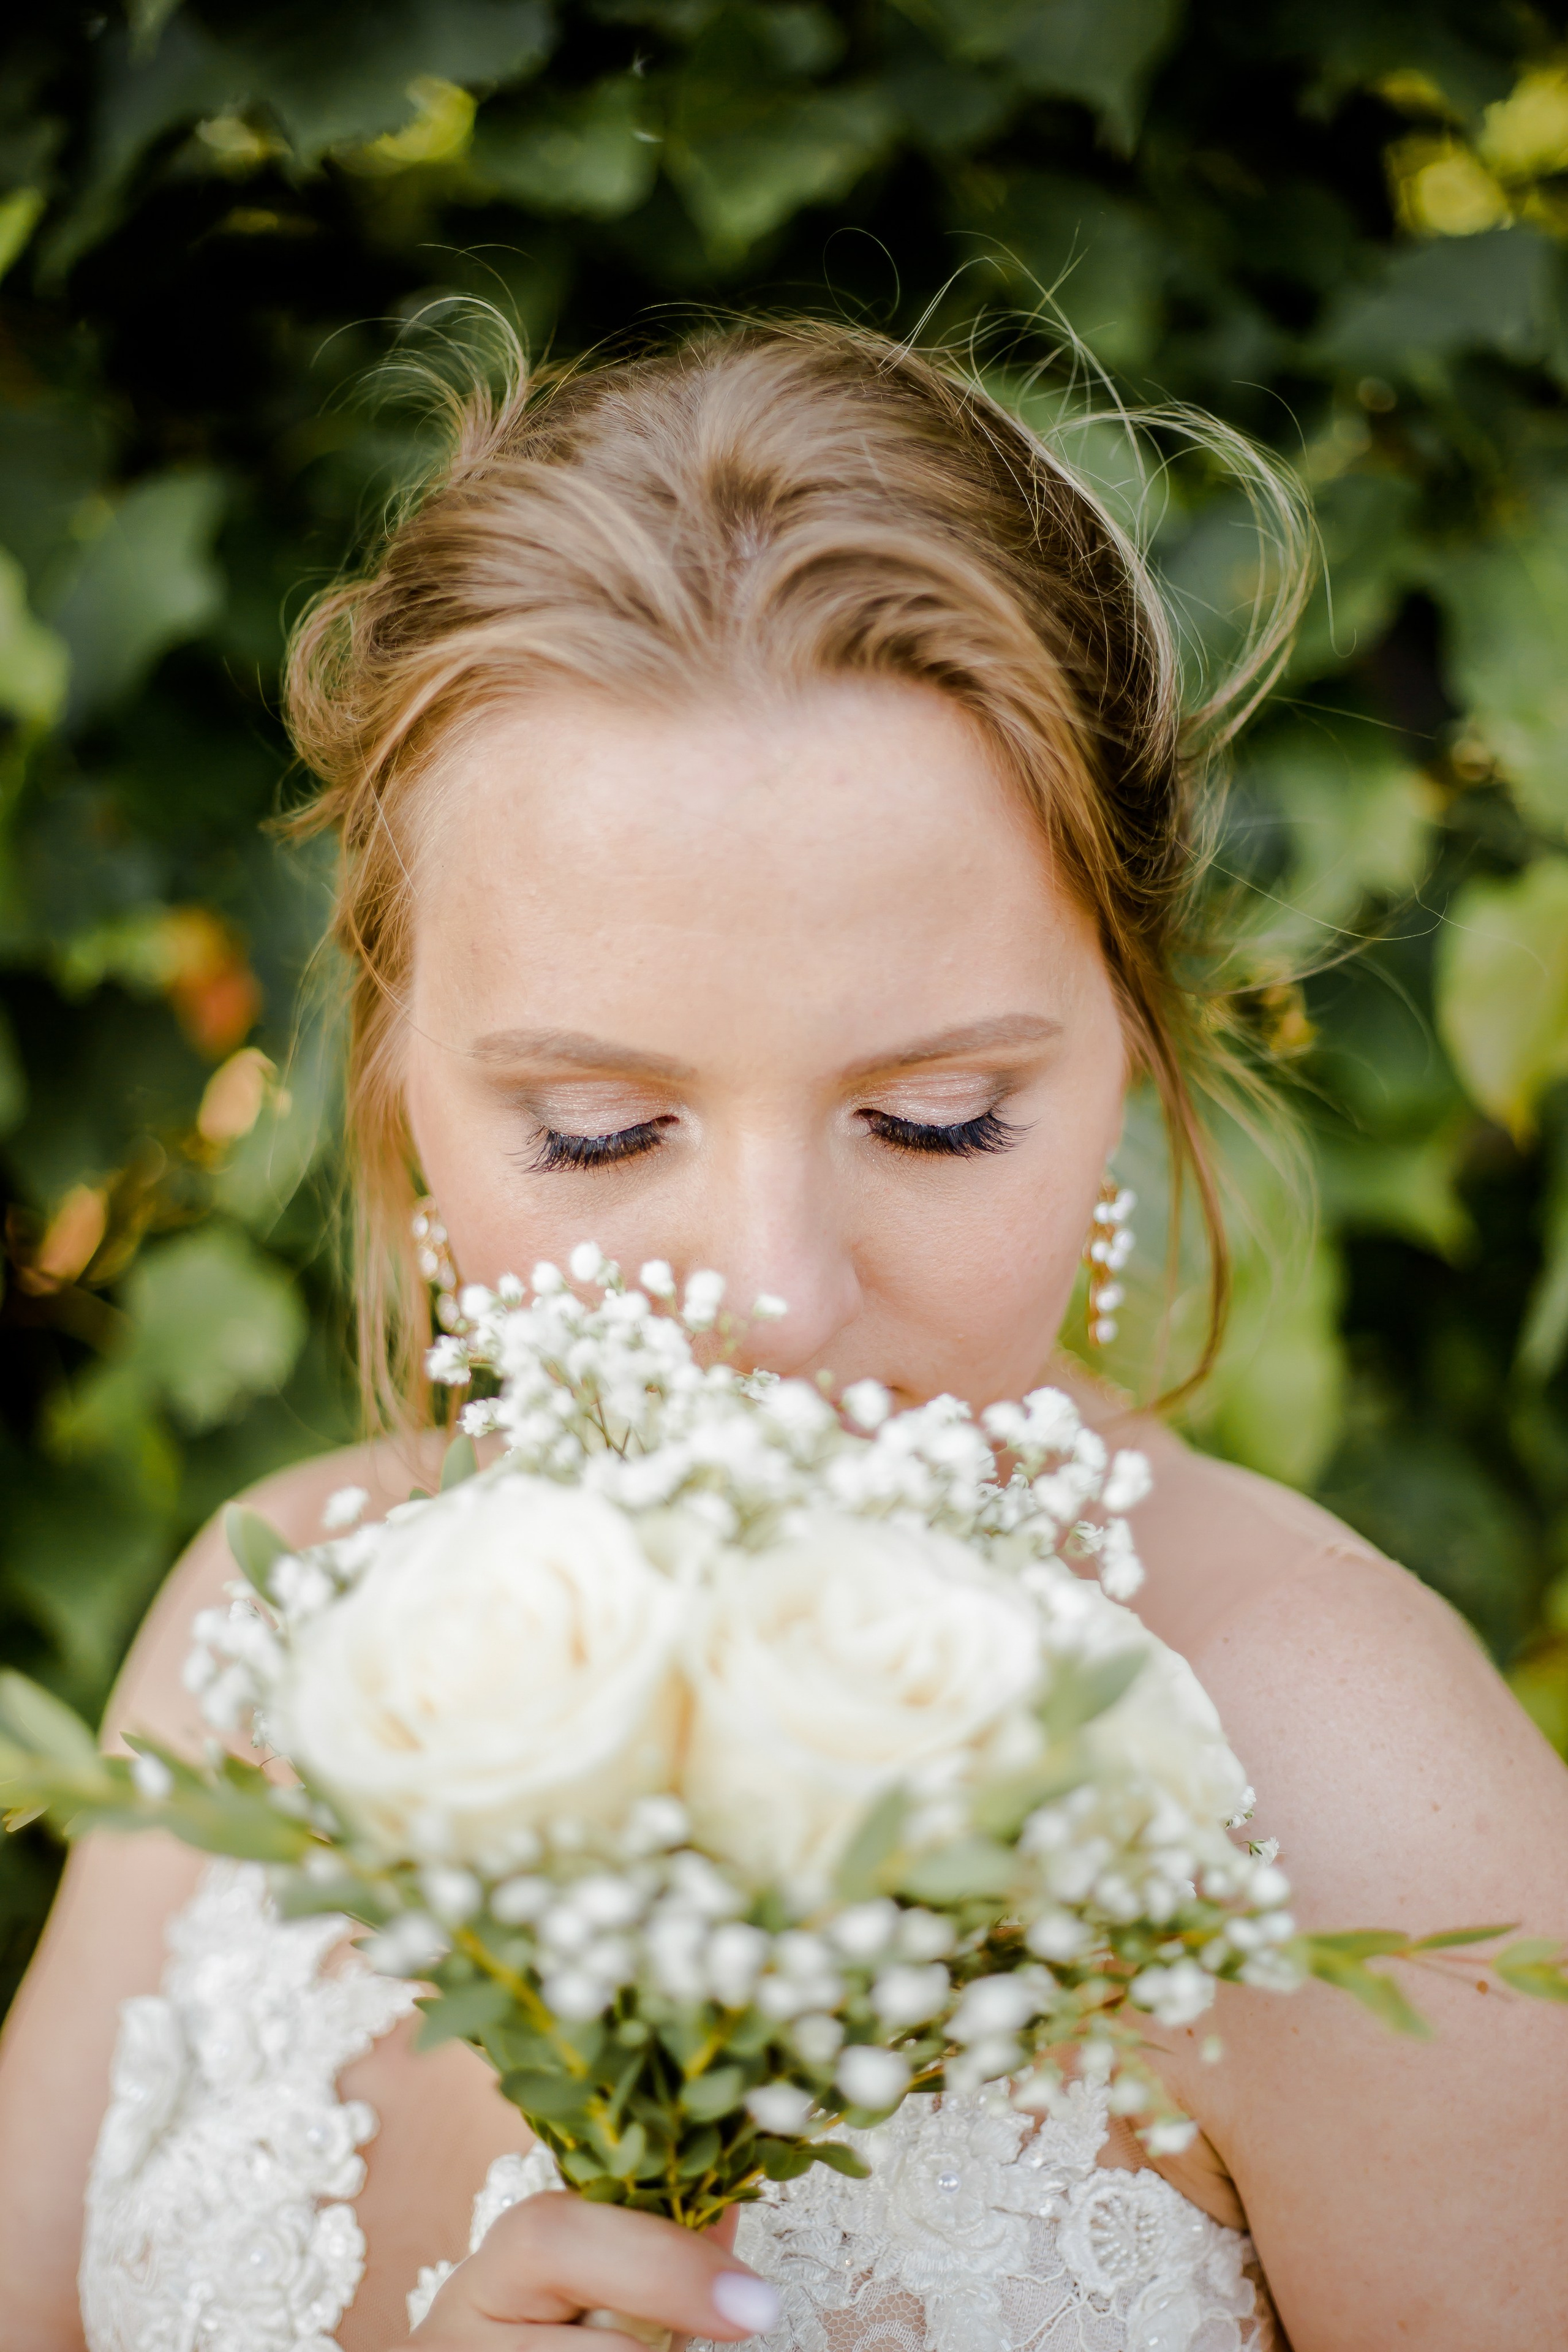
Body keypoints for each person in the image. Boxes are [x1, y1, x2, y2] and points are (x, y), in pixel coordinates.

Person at [1, 321, 1564, 2352]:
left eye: (936, 1121)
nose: (770, 1295)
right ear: (395, 1087)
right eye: (598, 1130)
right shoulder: (259, 1629)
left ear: (1130, 1046)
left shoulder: (1345, 1787)